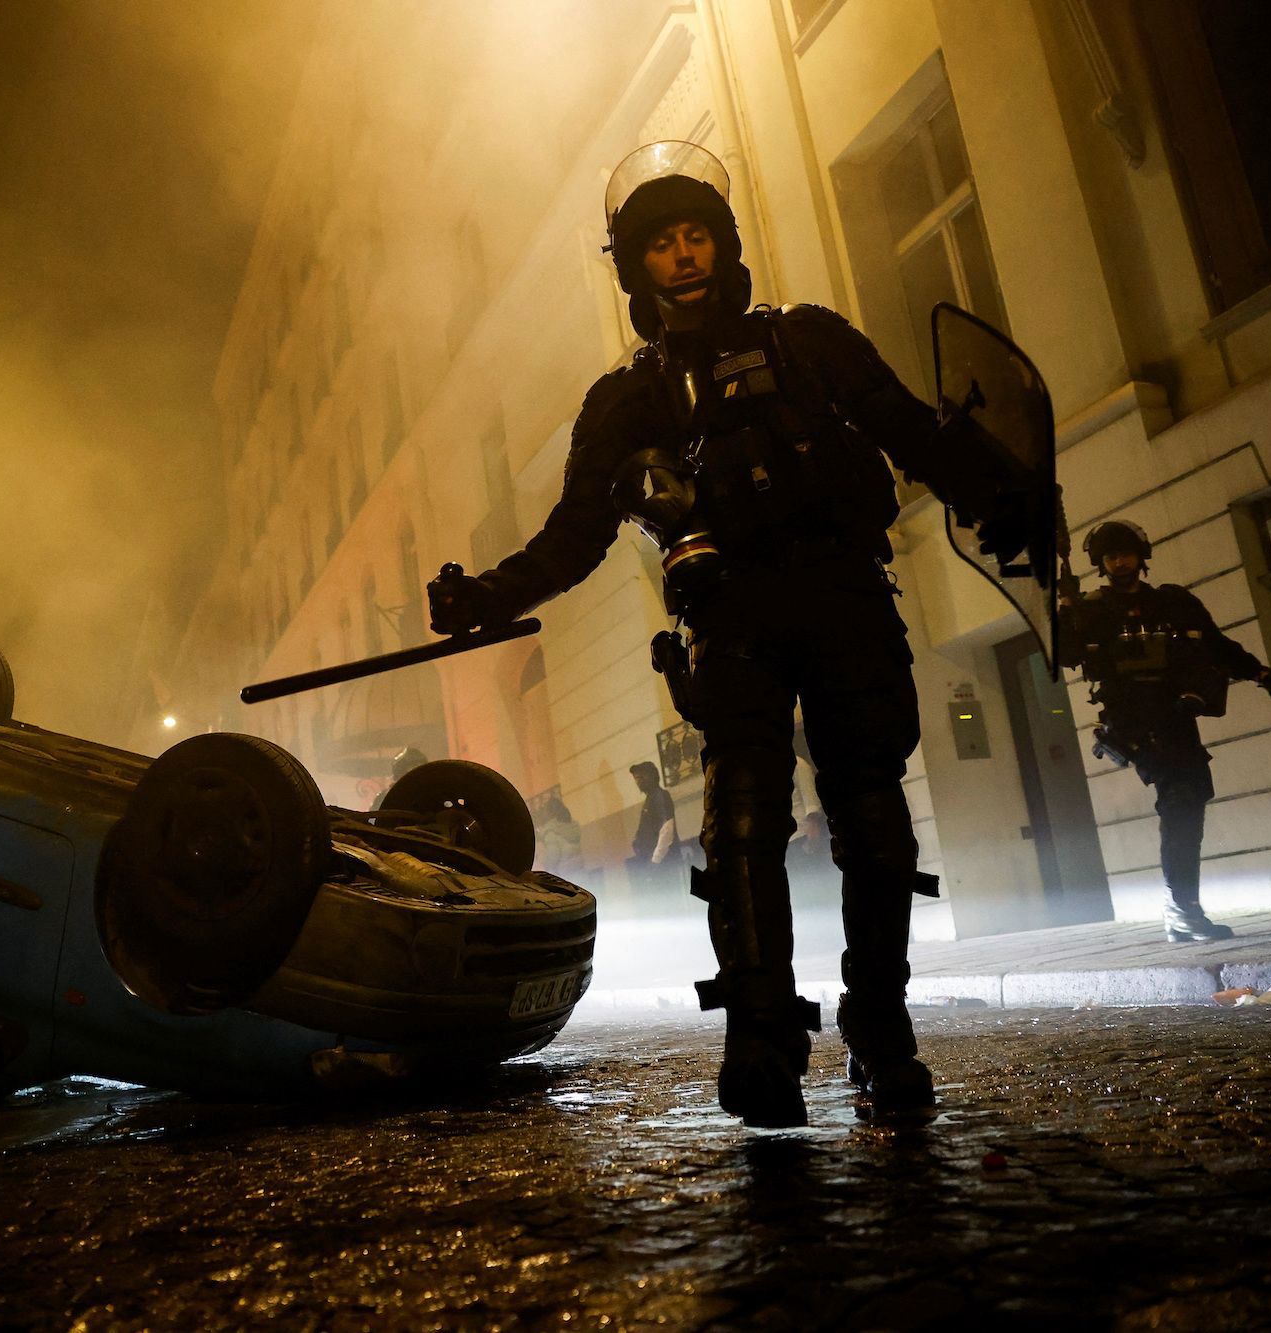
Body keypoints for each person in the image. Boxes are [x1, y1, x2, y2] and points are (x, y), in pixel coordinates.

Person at [426, 141, 1030, 1126]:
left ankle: (880, 1036)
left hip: (841, 596)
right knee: (742, 828)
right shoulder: (622, 399)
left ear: (722, 243)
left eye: (694, 233)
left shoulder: (809, 342)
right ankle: (761, 1045)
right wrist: (487, 596)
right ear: (635, 267)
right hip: (730, 615)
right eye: (659, 243)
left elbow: (906, 427)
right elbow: (572, 536)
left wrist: (990, 490)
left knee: (872, 825)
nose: (682, 255)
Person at [1058, 520, 1271, 941]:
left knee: (1193, 796)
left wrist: (1260, 673)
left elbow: (1215, 645)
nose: (1120, 562)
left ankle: (1179, 907)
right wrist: (1064, 613)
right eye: (1111, 556)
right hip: (1135, 720)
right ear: (1101, 563)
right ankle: (1181, 907)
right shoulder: (1089, 610)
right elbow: (1063, 657)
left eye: (1126, 553)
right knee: (1182, 799)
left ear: (1141, 555)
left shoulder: (1173, 602)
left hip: (1176, 713)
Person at [625, 761, 681, 891]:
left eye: (640, 777)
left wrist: (655, 860)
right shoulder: (651, 798)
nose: (638, 782)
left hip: (663, 866)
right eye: (636, 779)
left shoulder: (660, 796)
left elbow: (667, 830)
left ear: (651, 776)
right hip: (655, 864)